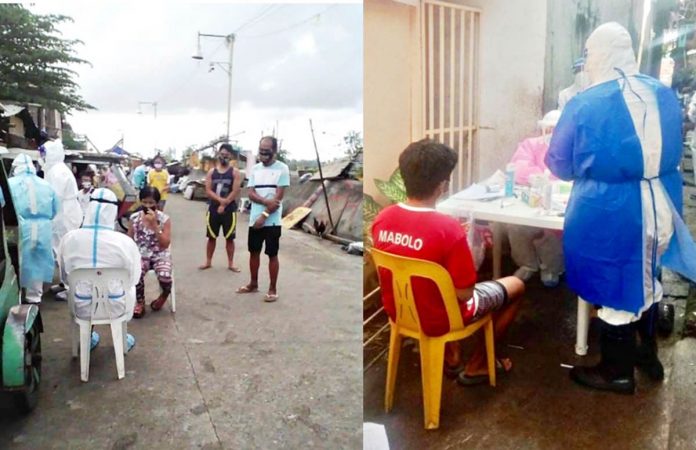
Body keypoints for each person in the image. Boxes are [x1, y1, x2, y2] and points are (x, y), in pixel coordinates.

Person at [546, 22, 696, 394]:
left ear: (596, 55)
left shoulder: (586, 102)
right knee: (647, 274)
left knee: (615, 285)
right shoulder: (663, 94)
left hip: (613, 211)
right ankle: (647, 356)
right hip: (662, 203)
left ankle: (617, 373)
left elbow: (559, 164)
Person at [372, 139, 525, 385]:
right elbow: (465, 293)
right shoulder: (448, 229)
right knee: (516, 284)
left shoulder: (382, 218)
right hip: (442, 317)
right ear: (442, 185)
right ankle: (478, 364)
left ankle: (452, 356)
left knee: (436, 285)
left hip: (400, 312)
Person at [58, 188, 139, 351]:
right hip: (116, 306)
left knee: (81, 289)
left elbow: (64, 277)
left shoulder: (69, 239)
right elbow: (133, 278)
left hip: (80, 306)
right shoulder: (124, 242)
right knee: (129, 288)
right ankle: (121, 339)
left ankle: (86, 339)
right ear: (113, 211)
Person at [507, 110, 565, 287]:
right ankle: (527, 264)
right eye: (549, 129)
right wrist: (538, 177)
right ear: (542, 129)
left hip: (559, 204)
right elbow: (519, 166)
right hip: (530, 200)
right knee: (515, 225)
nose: (552, 134)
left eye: (557, 129)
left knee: (552, 232)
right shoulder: (530, 145)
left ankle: (552, 268)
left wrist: (553, 182)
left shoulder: (572, 149)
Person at [236, 136, 290, 302]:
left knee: (272, 254)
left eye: (267, 152)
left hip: (272, 221)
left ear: (274, 151)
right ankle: (253, 284)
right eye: (261, 151)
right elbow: (250, 193)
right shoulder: (255, 169)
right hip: (254, 220)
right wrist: (265, 202)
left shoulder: (282, 169)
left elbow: (278, 198)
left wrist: (264, 216)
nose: (263, 155)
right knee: (254, 252)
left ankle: (273, 289)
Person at [8, 154, 59, 304]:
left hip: (19, 226)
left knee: (17, 260)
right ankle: (34, 297)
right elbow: (55, 209)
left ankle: (16, 296)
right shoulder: (46, 185)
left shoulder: (10, 184)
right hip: (43, 227)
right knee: (37, 260)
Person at [43, 140, 83, 298]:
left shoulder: (57, 171)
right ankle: (65, 282)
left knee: (66, 251)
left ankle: (70, 288)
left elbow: (54, 196)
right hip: (64, 212)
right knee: (62, 250)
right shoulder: (56, 169)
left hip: (64, 214)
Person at [127, 186, 172, 318]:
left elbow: (165, 244)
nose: (147, 206)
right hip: (141, 253)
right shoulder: (134, 218)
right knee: (137, 272)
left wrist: (155, 226)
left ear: (156, 203)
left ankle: (164, 296)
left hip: (160, 254)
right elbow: (129, 239)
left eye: (151, 203)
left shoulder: (164, 219)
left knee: (165, 275)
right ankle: (140, 302)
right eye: (145, 202)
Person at [199, 144, 243, 271]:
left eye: (227, 154)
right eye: (222, 154)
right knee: (211, 237)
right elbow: (208, 190)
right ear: (218, 154)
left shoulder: (235, 172)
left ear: (231, 156)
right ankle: (208, 261)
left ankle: (231, 263)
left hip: (229, 210)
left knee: (230, 238)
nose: (224, 156)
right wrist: (220, 201)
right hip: (213, 209)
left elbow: (235, 190)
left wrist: (225, 204)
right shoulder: (211, 172)